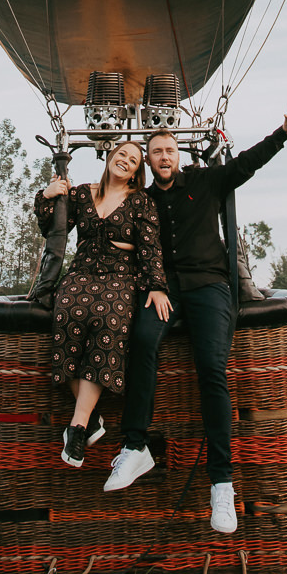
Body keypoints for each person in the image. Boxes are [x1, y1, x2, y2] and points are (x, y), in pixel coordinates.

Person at [103, 96, 287, 533]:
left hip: (210, 285)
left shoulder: (206, 181)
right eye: (156, 152)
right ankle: (135, 447)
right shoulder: (142, 201)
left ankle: (222, 485)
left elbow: (245, 165)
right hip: (165, 288)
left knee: (211, 367)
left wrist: (283, 134)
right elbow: (105, 213)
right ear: (148, 162)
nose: (164, 157)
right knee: (141, 341)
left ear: (179, 155)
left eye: (170, 150)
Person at [35, 140, 170, 467]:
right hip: (81, 272)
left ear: (137, 172)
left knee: (108, 320)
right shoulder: (81, 193)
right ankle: (90, 419)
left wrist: (157, 286)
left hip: (120, 276)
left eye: (133, 160)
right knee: (66, 316)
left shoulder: (140, 202)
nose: (125, 161)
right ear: (110, 157)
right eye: (121, 154)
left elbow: (150, 248)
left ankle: (78, 426)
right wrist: (48, 196)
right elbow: (51, 228)